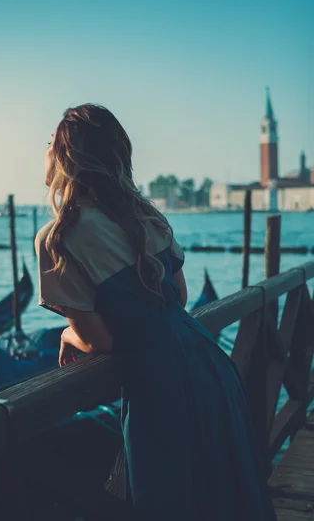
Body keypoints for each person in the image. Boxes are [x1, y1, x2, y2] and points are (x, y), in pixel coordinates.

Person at [35, 103, 277, 520]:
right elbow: (177, 298)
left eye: (48, 143)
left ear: (63, 157)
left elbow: (100, 341)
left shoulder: (58, 238)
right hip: (209, 366)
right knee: (226, 493)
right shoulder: (144, 215)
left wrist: (67, 335)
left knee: (168, 501)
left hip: (158, 383)